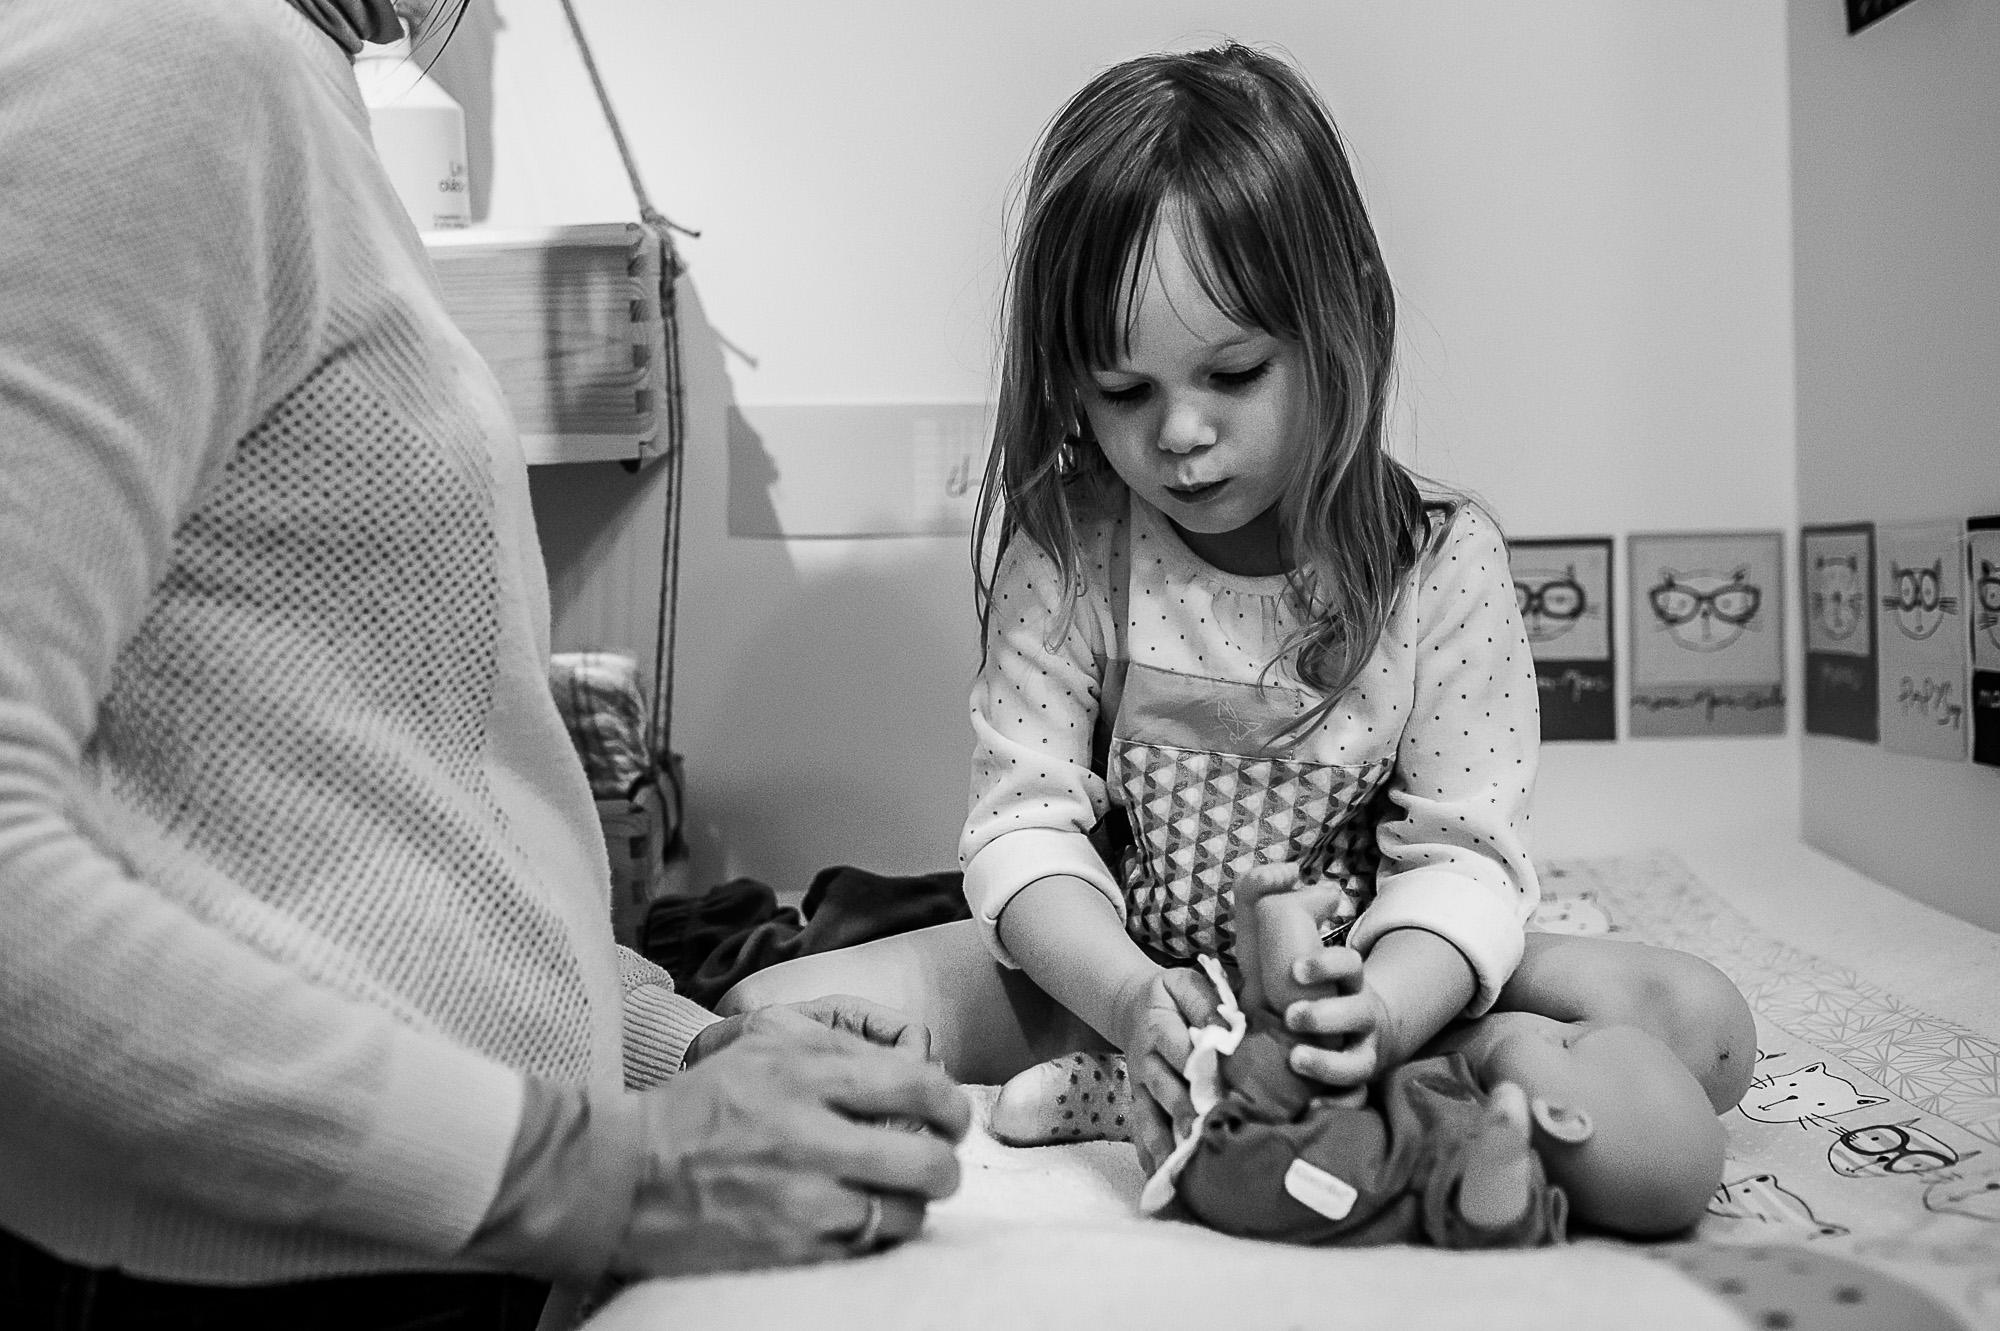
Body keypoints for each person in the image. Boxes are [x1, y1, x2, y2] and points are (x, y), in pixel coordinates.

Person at [0, 1, 966, 1326]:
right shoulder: (168, 63)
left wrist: (676, 1049)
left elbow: (385, 812)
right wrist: (606, 1167)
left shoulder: (288, 93)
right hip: (224, 1271)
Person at [719, 42, 1754, 1175]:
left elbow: (1461, 856)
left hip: (1368, 970)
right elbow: (1025, 830)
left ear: (1342, 320)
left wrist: (1383, 1011)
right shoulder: (1070, 549)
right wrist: (1126, 996)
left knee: (1697, 1029)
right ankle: (1182, 1074)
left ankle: (1322, 1079)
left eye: (1231, 374)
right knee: (761, 1017)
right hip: (1120, 971)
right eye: (1124, 390)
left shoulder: (1438, 562)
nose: (1176, 434)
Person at [1158, 866, 1723, 1244]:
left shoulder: (1516, 1185)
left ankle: (1274, 941)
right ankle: (1268, 941)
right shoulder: (1470, 1104)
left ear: (1561, 1117)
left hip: (1276, 1170)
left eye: (1567, 1041)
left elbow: (1489, 1214)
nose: (1555, 1028)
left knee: (1296, 1053)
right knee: (1295, 1049)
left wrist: (1501, 1146)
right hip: (1306, 1139)